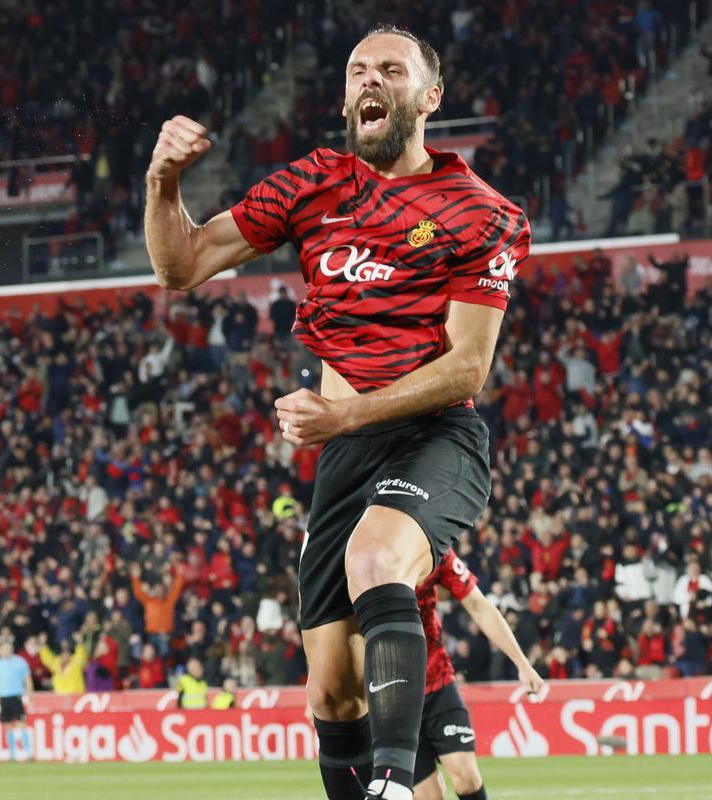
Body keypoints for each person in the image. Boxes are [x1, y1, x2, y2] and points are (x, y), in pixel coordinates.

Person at [144, 24, 530, 800]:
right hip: (344, 455)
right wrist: (162, 185)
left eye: (391, 69)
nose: (370, 81)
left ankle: (393, 784)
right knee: (330, 694)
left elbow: (468, 366)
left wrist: (345, 417)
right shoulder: (312, 183)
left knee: (374, 561)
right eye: (358, 70)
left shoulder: (480, 212)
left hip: (434, 438)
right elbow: (180, 266)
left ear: (430, 97)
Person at [411, 550, 544, 800]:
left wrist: (522, 663)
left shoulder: (435, 548)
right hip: (393, 694)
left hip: (438, 681)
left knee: (467, 777)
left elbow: (478, 605)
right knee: (428, 796)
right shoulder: (367, 555)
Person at [0, 639, 34, 762]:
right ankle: (12, 754)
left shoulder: (20, 662)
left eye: (8, 648)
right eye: (4, 648)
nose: (6, 650)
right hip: (4, 697)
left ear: (12, 648)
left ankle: (28, 753)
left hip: (17, 696)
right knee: (8, 726)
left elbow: (27, 680)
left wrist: (30, 695)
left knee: (22, 724)